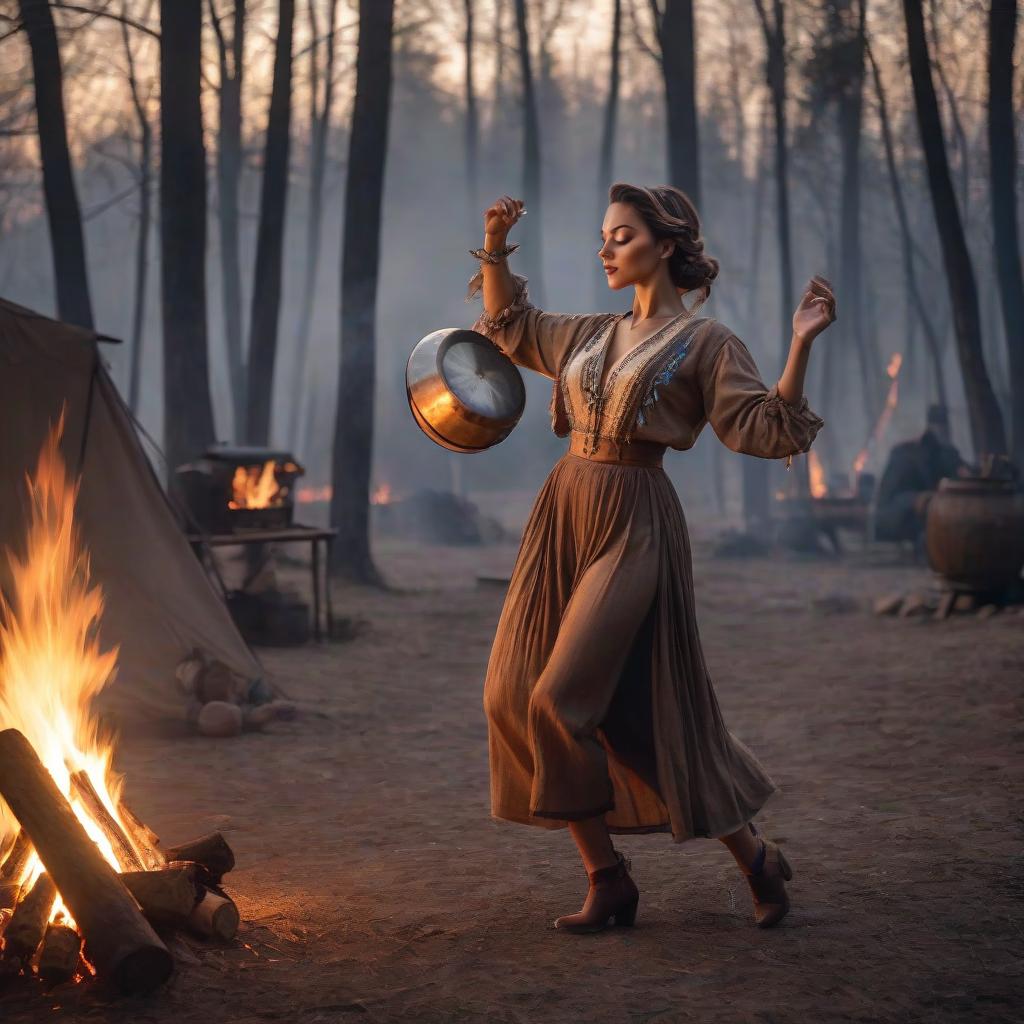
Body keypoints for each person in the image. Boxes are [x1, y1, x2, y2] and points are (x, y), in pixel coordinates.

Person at [465, 183, 836, 934]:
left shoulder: (708, 343)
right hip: (563, 510)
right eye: (604, 236)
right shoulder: (589, 333)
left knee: (559, 700)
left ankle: (746, 860)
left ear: (664, 247)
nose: (606, 249)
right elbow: (507, 326)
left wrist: (799, 344)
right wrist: (497, 243)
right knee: (517, 692)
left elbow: (768, 428)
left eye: (622, 236)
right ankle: (616, 881)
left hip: (635, 521)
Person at [873, 404, 972, 547]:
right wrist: (918, 499)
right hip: (902, 511)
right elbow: (889, 496)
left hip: (935, 508)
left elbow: (958, 472)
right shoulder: (904, 454)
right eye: (937, 424)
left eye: (941, 424)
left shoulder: (945, 452)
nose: (939, 429)